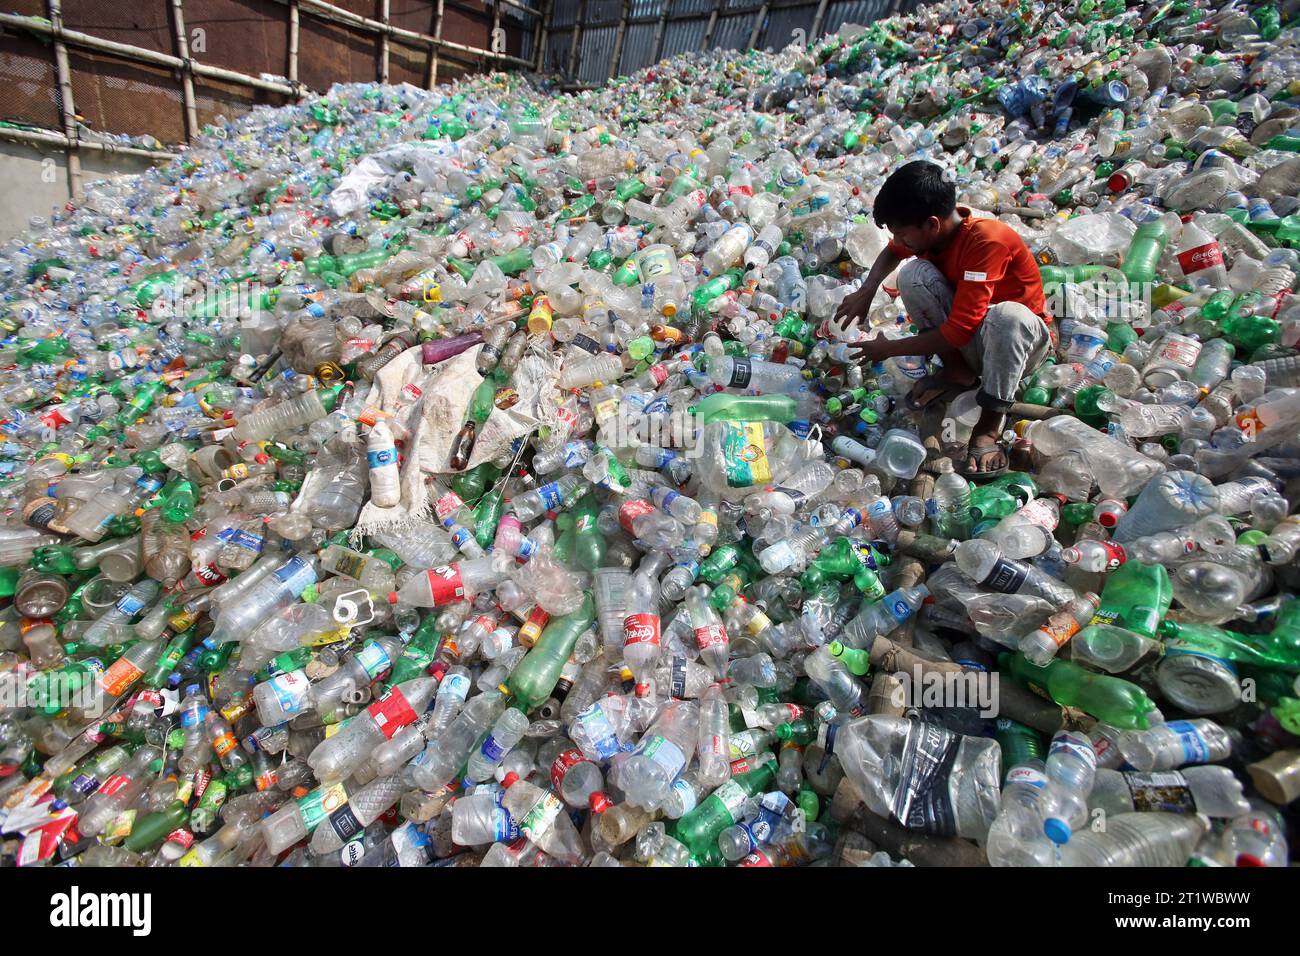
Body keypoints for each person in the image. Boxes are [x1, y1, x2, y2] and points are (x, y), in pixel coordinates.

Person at [833, 160, 1054, 477]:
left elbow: (960, 330)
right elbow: (893, 253)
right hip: (973, 338)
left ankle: (989, 427)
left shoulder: (987, 241)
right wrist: (867, 291)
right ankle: (957, 371)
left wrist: (889, 349)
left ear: (932, 224)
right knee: (913, 275)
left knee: (1009, 316)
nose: (901, 241)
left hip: (1017, 348)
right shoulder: (933, 234)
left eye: (903, 234)